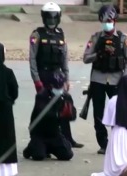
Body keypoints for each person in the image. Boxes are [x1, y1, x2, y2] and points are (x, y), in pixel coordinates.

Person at [29, 1, 83, 148]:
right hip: (43, 75)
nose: (51, 20)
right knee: (42, 107)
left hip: (58, 76)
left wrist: (66, 78)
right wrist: (36, 80)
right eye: (48, 17)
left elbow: (65, 58)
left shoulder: (61, 35)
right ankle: (36, 137)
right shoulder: (37, 35)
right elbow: (32, 59)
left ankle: (67, 139)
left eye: (54, 17)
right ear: (43, 17)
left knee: (63, 106)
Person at [83, 4, 127, 154]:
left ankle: (118, 142)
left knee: (118, 113)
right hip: (98, 79)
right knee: (98, 114)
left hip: (117, 80)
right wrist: (98, 54)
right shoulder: (96, 38)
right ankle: (103, 144)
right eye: (104, 20)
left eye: (109, 20)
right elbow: (85, 58)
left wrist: (125, 77)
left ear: (115, 20)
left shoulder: (123, 39)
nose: (107, 23)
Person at [23, 72, 76, 161]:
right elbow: (43, 113)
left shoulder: (66, 96)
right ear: (50, 85)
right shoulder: (41, 96)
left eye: (60, 86)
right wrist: (59, 114)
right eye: (56, 86)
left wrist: (70, 114)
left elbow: (72, 116)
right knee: (38, 156)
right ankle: (30, 148)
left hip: (54, 133)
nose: (59, 89)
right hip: (39, 132)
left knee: (67, 155)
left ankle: (51, 147)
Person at [0, 42, 19, 176]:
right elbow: (14, 91)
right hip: (4, 113)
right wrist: (9, 101)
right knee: (4, 146)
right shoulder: (8, 72)